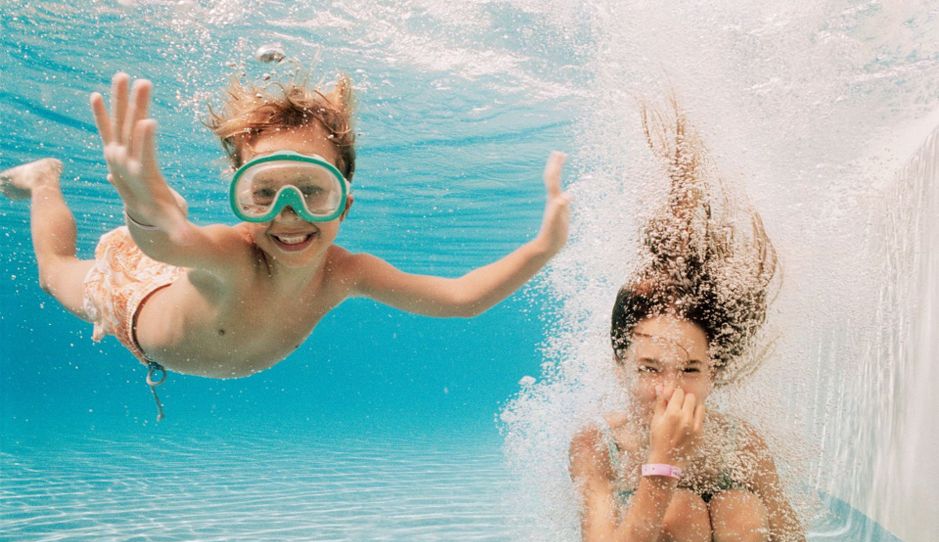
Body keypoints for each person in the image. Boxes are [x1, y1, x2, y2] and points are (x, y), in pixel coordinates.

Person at [1, 72, 571, 418]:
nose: (288, 215)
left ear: (344, 202)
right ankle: (44, 180)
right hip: (135, 297)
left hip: (175, 274)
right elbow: (174, 245)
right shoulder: (230, 252)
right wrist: (144, 211)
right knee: (55, 272)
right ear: (239, 201)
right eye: (264, 193)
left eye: (312, 192)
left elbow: (461, 298)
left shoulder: (347, 272)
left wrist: (541, 249)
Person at [568, 98, 809, 542]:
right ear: (620, 367)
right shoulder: (597, 447)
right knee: (681, 512)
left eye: (691, 369)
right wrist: (661, 462)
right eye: (650, 367)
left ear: (716, 371)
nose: (669, 391)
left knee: (738, 511)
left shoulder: (741, 444)